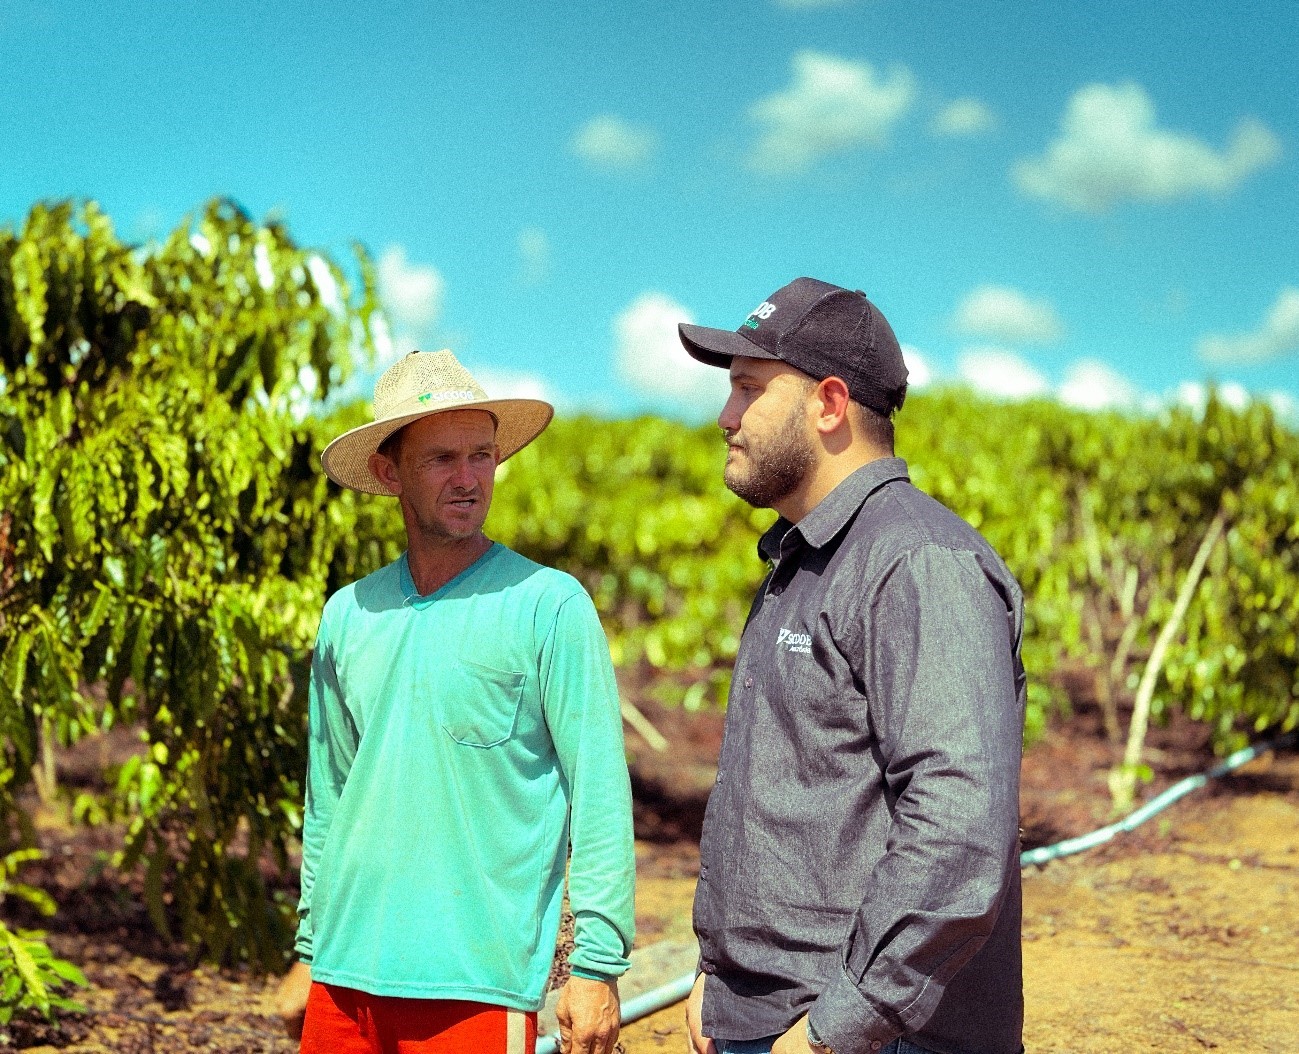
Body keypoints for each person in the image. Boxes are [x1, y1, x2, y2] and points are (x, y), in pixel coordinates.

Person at [679, 278, 1026, 1054]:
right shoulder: (804, 560)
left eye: (747, 390)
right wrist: (724, 975)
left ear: (828, 404)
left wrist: (837, 1028)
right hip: (776, 1019)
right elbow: (788, 798)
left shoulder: (916, 563)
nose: (724, 418)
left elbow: (959, 827)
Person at [275, 350, 635, 1054]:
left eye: (481, 455)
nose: (469, 479)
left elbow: (598, 797)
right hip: (342, 977)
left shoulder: (548, 606)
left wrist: (596, 966)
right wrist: (309, 946)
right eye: (441, 459)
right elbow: (331, 799)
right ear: (388, 473)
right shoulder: (348, 614)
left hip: (474, 983)